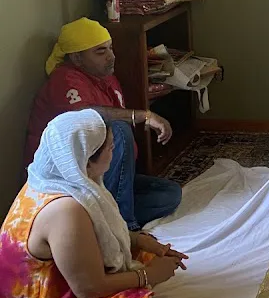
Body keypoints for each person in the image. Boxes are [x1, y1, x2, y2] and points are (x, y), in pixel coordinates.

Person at [0, 110, 187, 298]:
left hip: (59, 279)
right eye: (110, 148)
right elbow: (89, 289)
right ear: (86, 160)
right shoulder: (66, 209)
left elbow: (99, 235)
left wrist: (138, 240)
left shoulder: (51, 177)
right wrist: (148, 276)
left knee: (141, 253)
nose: (114, 152)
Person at [24, 18, 181, 229]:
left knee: (170, 194)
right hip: (69, 183)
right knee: (119, 128)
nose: (112, 56)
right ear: (77, 58)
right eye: (101, 52)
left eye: (110, 48)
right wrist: (142, 115)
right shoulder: (65, 79)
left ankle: (100, 217)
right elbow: (85, 114)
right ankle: (124, 226)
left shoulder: (104, 76)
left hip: (101, 175)